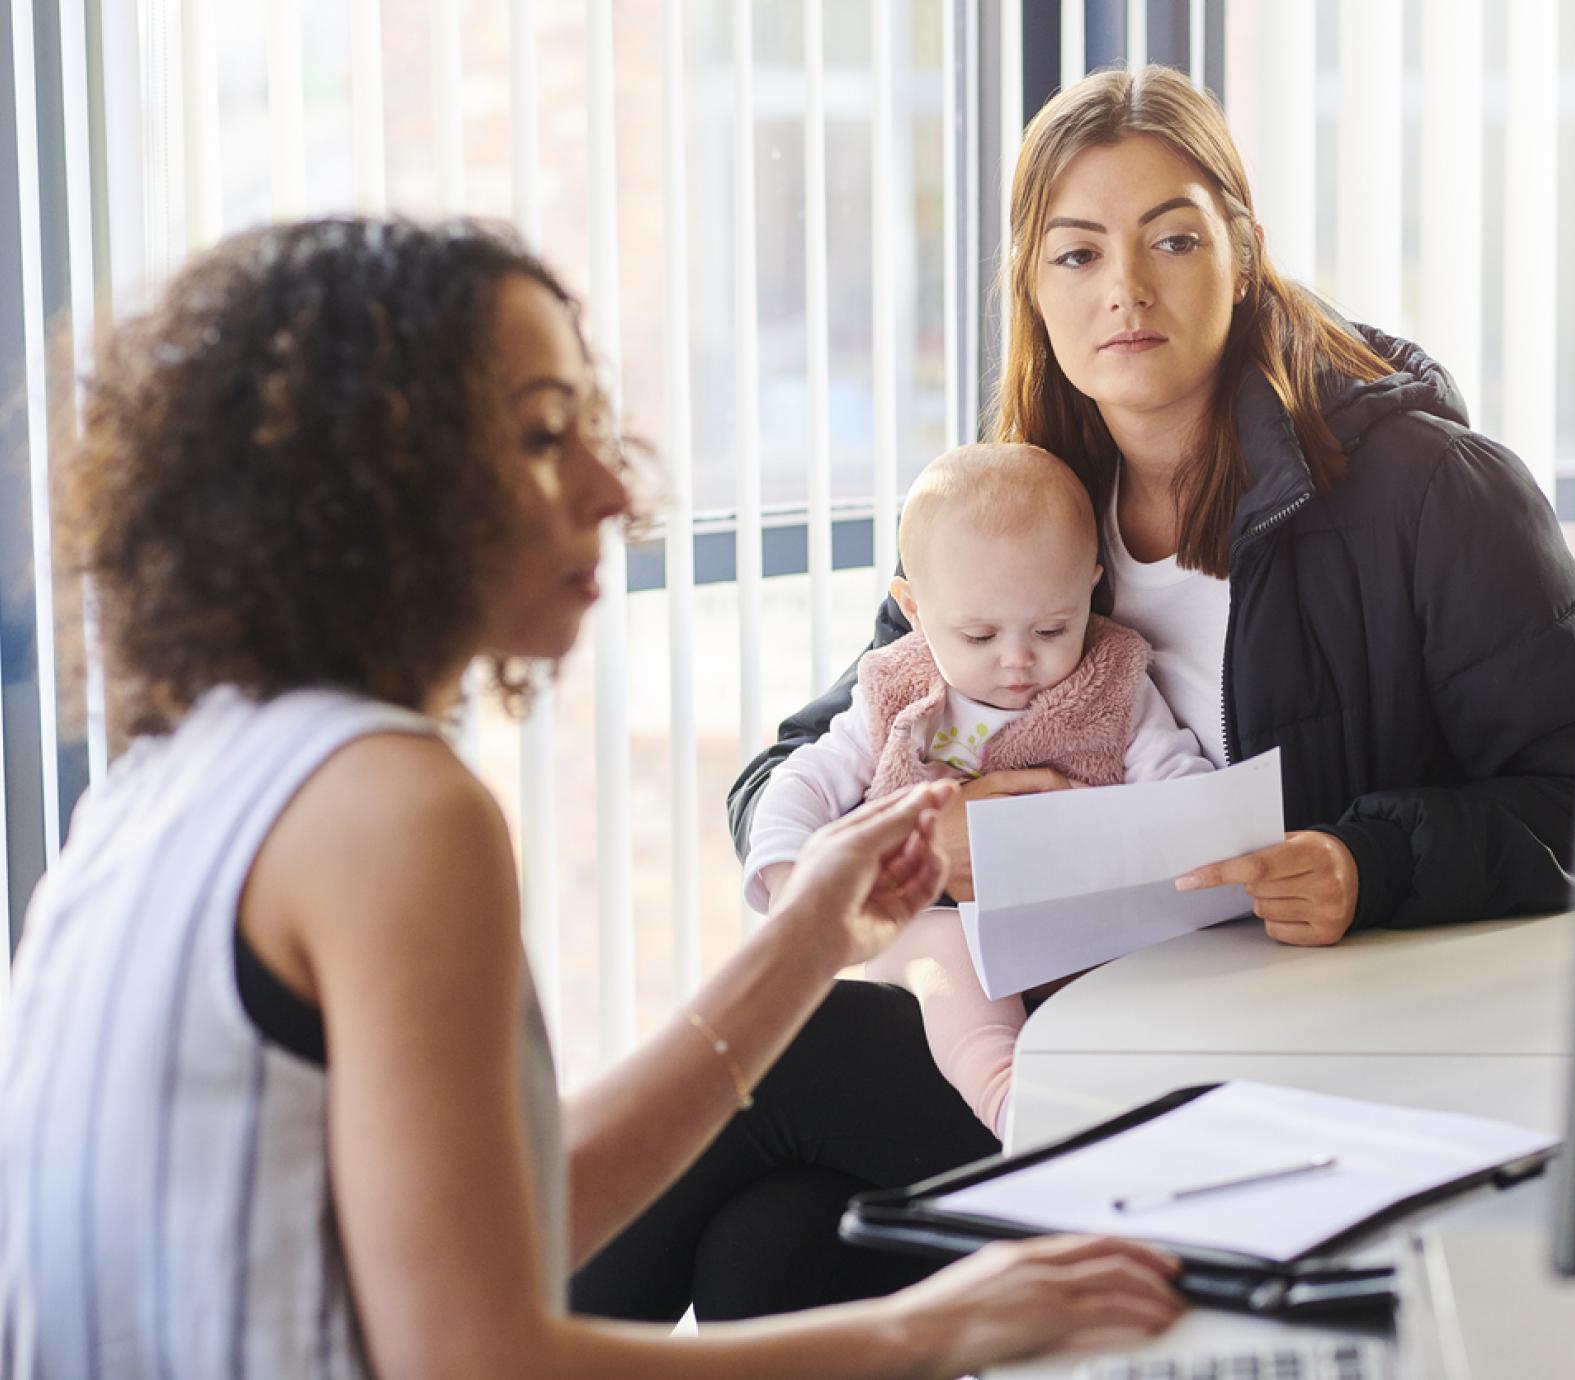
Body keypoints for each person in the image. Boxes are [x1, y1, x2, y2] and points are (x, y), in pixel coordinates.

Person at [0, 218, 1184, 1379]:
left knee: (776, 1246)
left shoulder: (168, 781)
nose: (615, 486)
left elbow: (485, 1221)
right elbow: (470, 1354)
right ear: (380, 490)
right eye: (541, 436)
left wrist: (817, 926)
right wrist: (932, 1330)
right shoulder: (391, 813)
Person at [578, 63, 1575, 1325]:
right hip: (1074, 1032)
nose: (1124, 289)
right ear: (1030, 287)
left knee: (780, 1068)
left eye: (1171, 237)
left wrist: (1364, 862)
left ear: (1242, 250)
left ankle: (460, 1340)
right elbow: (813, 753)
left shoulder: (1427, 495)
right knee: (775, 1251)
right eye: (1075, 254)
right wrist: (918, 850)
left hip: (1294, 1061)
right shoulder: (1027, 502)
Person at [742, 442, 1211, 1136]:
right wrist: (791, 884)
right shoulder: (898, 690)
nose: (1018, 660)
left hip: (1078, 929)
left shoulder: (1114, 684)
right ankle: (1011, 1102)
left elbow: (1181, 791)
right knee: (950, 959)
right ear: (915, 609)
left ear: (1091, 586)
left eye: (1052, 628)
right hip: (933, 926)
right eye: (979, 633)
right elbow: (802, 780)